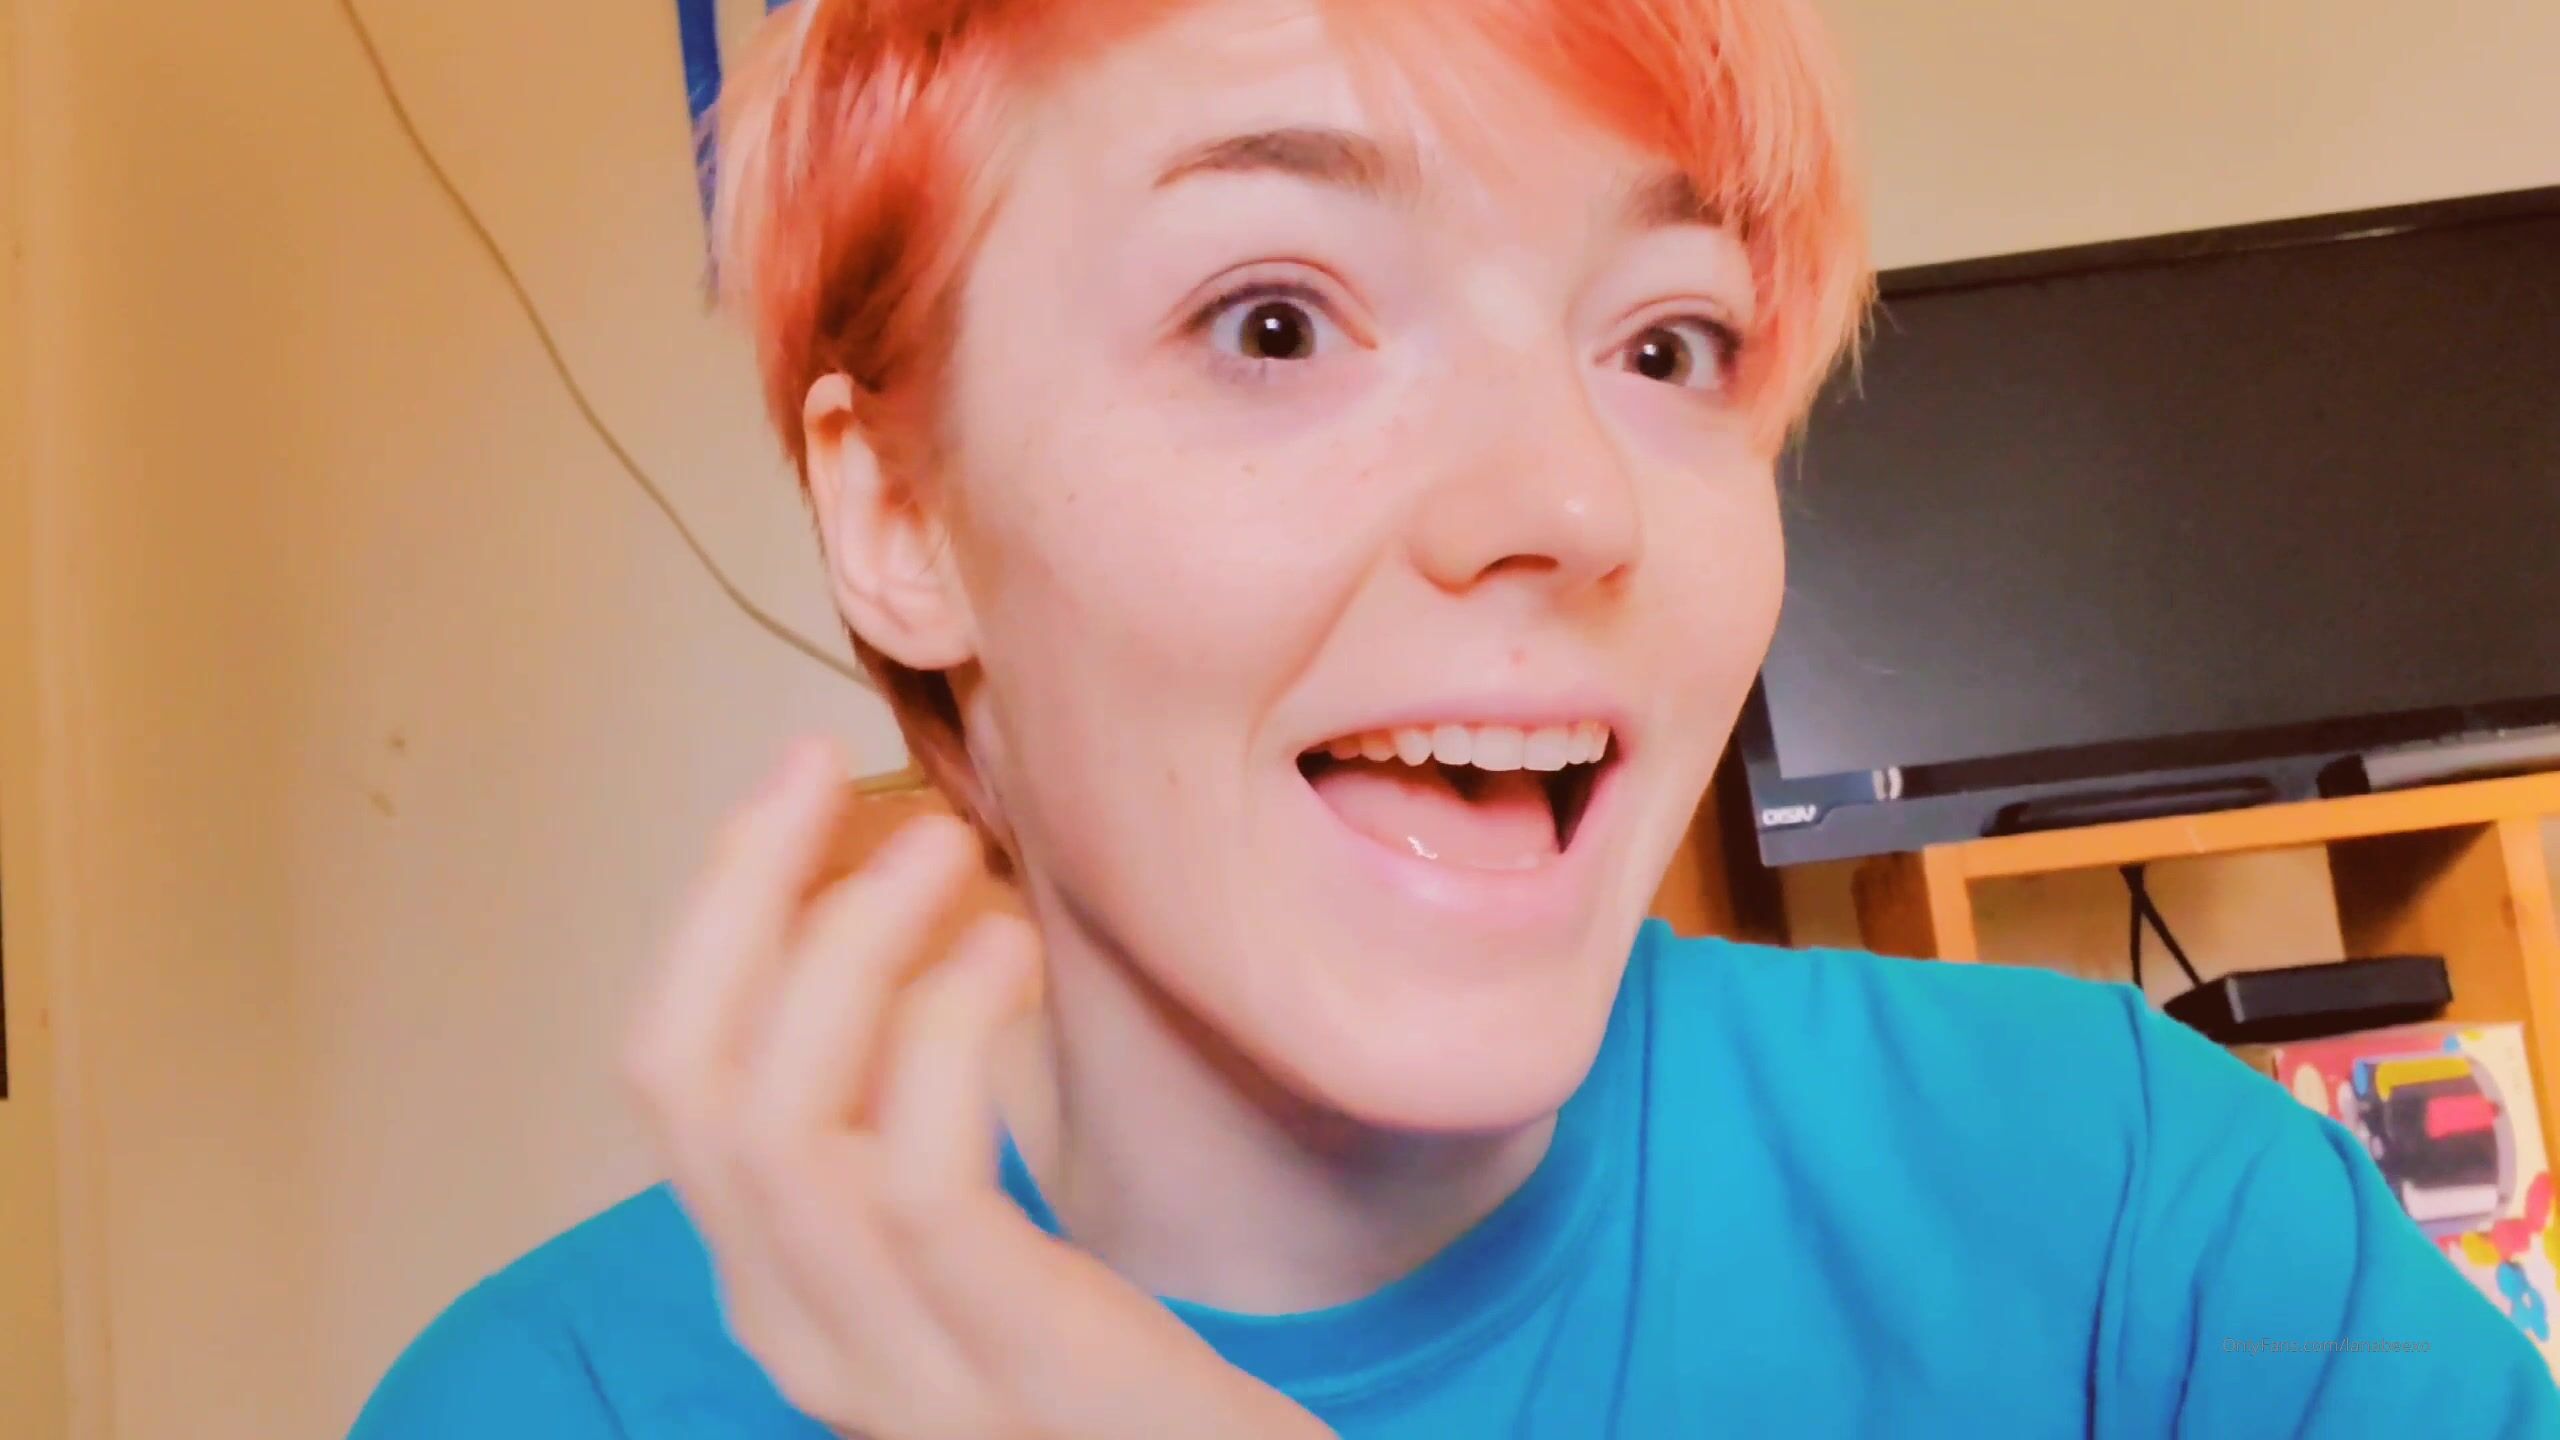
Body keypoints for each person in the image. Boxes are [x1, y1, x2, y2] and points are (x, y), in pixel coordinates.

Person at [351, 0, 2560, 1435]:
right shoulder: (559, 1407)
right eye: (1274, 322)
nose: (1570, 500)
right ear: (897, 509)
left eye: (1667, 344)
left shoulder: (2139, 1212)